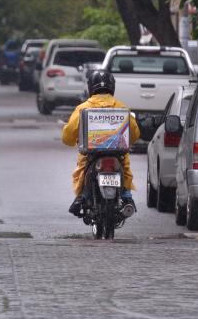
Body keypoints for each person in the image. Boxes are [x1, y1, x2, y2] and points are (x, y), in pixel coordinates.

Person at [60, 69, 141, 213]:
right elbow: (134, 134)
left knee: (82, 168)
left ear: (90, 87)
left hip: (91, 156)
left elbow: (68, 136)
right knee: (125, 165)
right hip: (118, 155)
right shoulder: (122, 107)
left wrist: (72, 140)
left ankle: (81, 198)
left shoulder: (83, 108)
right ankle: (127, 196)